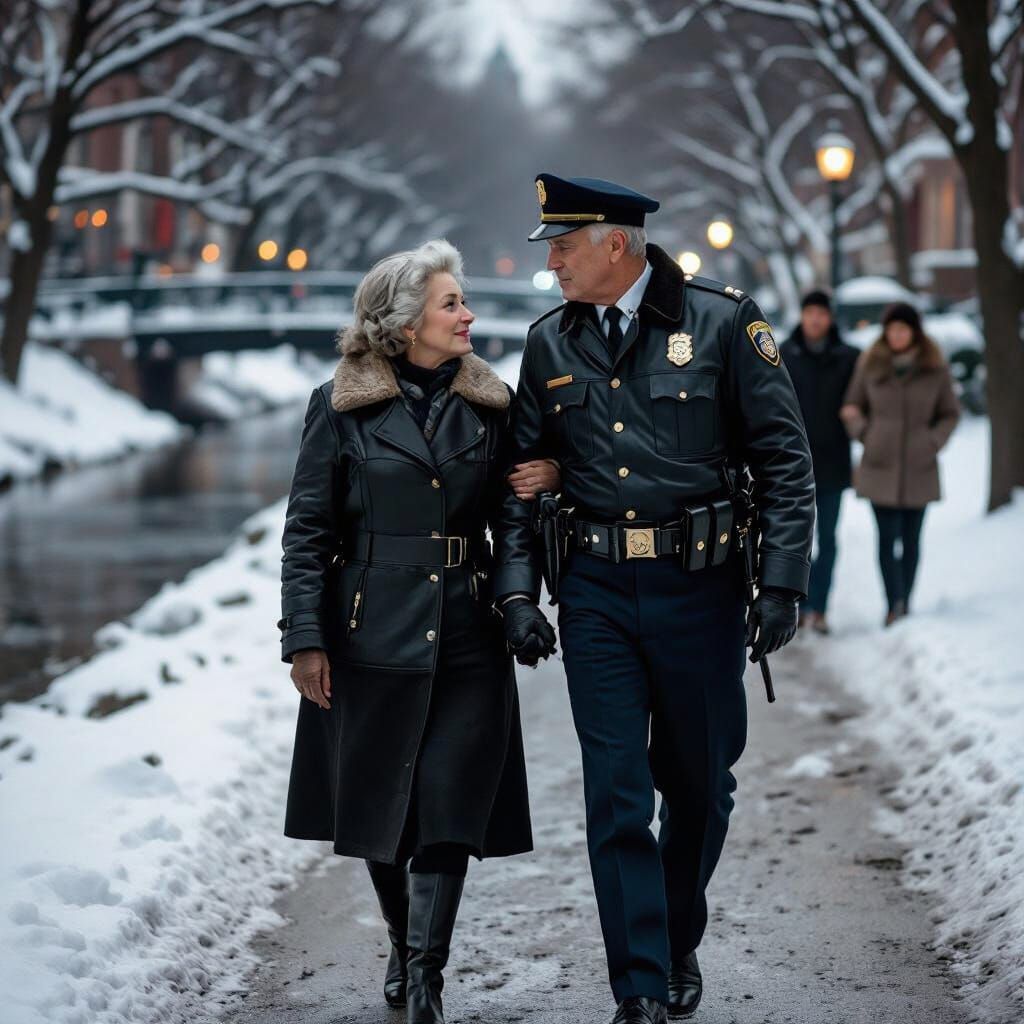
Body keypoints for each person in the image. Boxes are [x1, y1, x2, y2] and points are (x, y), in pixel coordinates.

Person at [493, 174, 814, 1024]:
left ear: (616, 244)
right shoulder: (549, 343)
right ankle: (637, 981)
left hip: (701, 588)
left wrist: (782, 581)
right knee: (617, 790)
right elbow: (519, 484)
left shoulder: (724, 321)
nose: (552, 262)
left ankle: (675, 939)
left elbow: (786, 461)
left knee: (701, 784)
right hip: (595, 590)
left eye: (564, 246)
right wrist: (520, 593)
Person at [277, 239, 559, 1024]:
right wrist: (305, 637)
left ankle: (427, 977)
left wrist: (516, 602)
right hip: (371, 634)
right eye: (450, 303)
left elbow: (513, 517)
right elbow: (306, 531)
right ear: (403, 324)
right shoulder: (338, 404)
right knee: (383, 812)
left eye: (462, 302)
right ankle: (404, 942)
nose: (467, 314)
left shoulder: (491, 404)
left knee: (447, 806)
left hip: (469, 631)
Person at [840, 301, 960, 626]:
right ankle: (892, 603)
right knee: (885, 538)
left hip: (919, 468)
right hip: (879, 466)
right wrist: (866, 433)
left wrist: (933, 441)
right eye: (891, 329)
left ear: (915, 332)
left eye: (903, 329)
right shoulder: (871, 365)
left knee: (911, 540)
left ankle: (906, 599)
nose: (896, 335)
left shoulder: (934, 368)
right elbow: (852, 405)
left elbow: (950, 413)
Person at [780, 290, 859, 634]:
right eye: (809, 312)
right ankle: (800, 603)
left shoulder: (849, 357)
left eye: (821, 313)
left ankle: (820, 608)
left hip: (832, 462)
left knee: (828, 538)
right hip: (790, 465)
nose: (815, 319)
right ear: (801, 315)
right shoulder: (784, 354)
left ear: (830, 318)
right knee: (797, 539)